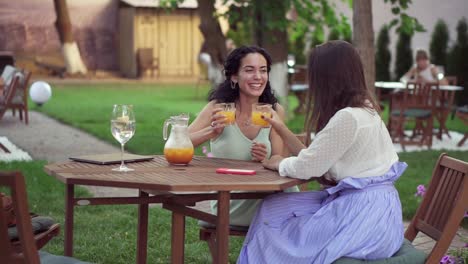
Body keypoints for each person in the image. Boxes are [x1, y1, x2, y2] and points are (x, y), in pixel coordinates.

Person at [237, 40, 407, 263]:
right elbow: (317, 158)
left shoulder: (348, 117)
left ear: (328, 77)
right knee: (274, 206)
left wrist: (278, 162)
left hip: (364, 219)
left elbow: (308, 167)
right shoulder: (365, 110)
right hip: (378, 211)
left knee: (279, 227)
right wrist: (280, 127)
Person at [189, 45, 297, 227]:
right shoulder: (218, 108)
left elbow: (280, 157)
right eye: (249, 70)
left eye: (263, 71)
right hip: (230, 200)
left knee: (297, 213)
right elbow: (178, 144)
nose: (258, 77)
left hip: (270, 193)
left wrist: (266, 158)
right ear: (234, 76)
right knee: (290, 220)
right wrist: (211, 132)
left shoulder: (275, 111)